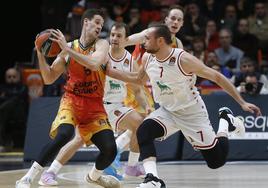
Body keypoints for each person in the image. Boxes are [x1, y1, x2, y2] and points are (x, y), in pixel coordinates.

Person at [108, 23, 261, 188]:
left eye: (147, 38)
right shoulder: (147, 58)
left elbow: (216, 77)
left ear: (160, 41)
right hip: (167, 111)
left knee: (216, 161)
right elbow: (138, 80)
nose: (143, 42)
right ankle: (153, 179)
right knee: (144, 131)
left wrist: (242, 102)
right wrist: (109, 71)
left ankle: (225, 121)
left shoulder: (183, 59)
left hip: (191, 113)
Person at [16, 9, 120, 188]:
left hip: (94, 106)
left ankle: (94, 177)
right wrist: (41, 55)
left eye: (101, 25)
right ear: (85, 22)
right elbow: (48, 79)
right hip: (72, 100)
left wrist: (67, 50)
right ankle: (27, 178)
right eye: (96, 22)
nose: (99, 27)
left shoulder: (102, 44)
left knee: (110, 150)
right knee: (64, 134)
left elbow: (94, 64)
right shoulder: (67, 49)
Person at [37, 22, 150, 186]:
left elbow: (138, 90)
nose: (114, 39)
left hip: (117, 106)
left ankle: (131, 166)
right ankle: (50, 172)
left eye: (119, 36)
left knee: (141, 124)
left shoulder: (129, 60)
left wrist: (145, 105)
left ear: (126, 39)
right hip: (97, 105)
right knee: (78, 140)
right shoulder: (100, 53)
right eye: (112, 35)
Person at [0, 68, 29, 151]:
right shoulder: (2, 87)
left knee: (12, 102)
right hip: (5, 114)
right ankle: (2, 143)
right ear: (5, 78)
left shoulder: (23, 87)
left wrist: (6, 96)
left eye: (14, 76)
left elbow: (19, 96)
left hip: (19, 112)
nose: (11, 78)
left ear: (19, 77)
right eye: (9, 77)